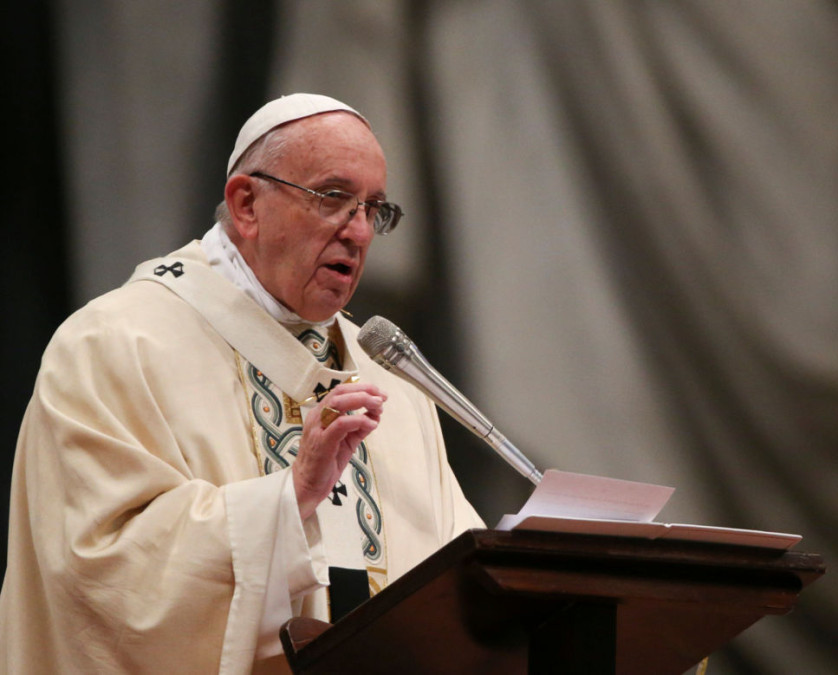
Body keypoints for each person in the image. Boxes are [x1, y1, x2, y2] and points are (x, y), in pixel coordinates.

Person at [0, 93, 484, 674]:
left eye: (373, 208)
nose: (359, 232)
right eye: (333, 197)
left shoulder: (388, 376)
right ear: (247, 204)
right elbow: (97, 571)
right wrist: (287, 499)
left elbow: (461, 575)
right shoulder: (114, 344)